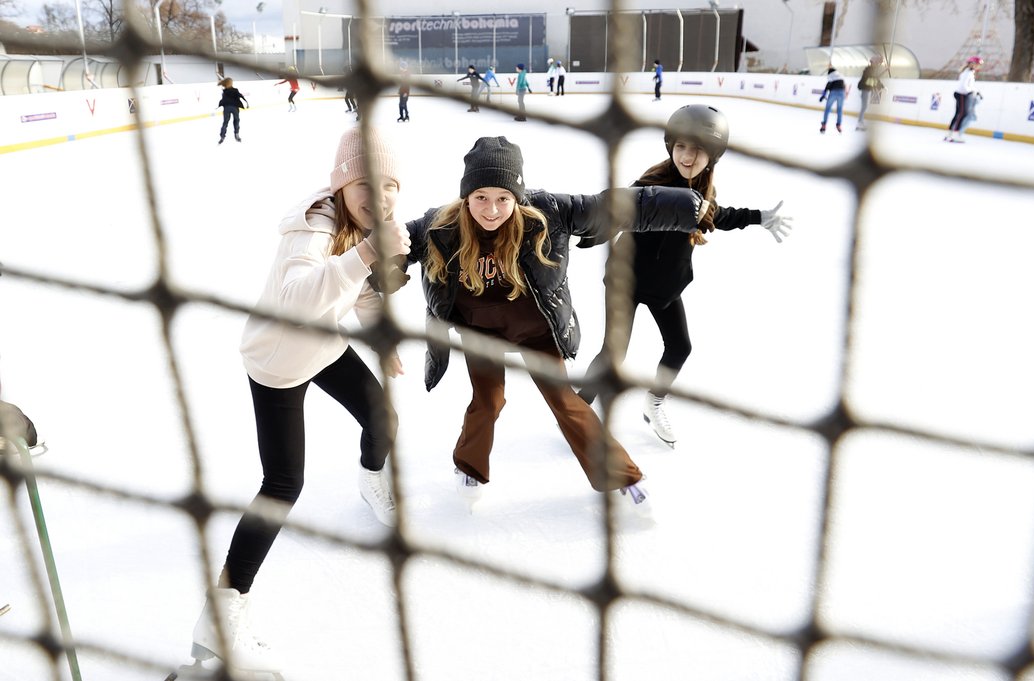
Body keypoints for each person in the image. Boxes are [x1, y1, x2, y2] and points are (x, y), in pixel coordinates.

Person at [185, 127, 411, 676]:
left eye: (390, 187)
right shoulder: (309, 226)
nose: (378, 199)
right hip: (280, 359)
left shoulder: (362, 227)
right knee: (283, 485)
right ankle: (221, 614)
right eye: (365, 184)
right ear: (340, 183)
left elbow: (360, 293)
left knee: (385, 419)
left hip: (325, 344)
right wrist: (365, 253)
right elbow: (298, 298)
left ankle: (370, 477)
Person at [398, 136, 711, 516]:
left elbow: (616, 207)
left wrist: (683, 204)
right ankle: (469, 467)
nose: (492, 210)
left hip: (535, 331)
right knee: (487, 401)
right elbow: (387, 247)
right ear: (466, 197)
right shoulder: (440, 225)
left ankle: (624, 476)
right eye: (480, 197)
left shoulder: (548, 213)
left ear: (518, 196)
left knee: (565, 403)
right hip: (480, 332)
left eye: (503, 198)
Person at [576, 105, 793, 447]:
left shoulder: (705, 193)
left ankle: (655, 401)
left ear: (713, 156)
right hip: (625, 281)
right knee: (613, 352)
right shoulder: (651, 184)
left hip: (666, 284)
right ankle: (577, 411)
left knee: (680, 347)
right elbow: (616, 208)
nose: (687, 156)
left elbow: (718, 216)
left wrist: (758, 217)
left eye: (697, 149)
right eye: (681, 146)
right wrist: (588, 227)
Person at [946, 56, 983, 142]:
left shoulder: (969, 72)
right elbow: (964, 86)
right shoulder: (968, 73)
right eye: (977, 64)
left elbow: (969, 85)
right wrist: (971, 92)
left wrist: (975, 91)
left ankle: (949, 134)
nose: (978, 66)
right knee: (962, 114)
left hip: (962, 94)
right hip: (962, 94)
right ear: (972, 64)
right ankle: (955, 134)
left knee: (958, 114)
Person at [856, 55, 885, 131]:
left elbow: (876, 78)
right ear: (874, 62)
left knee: (864, 106)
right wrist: (880, 85)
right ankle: (859, 123)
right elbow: (874, 79)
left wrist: (881, 85)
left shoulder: (872, 69)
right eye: (877, 63)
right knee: (864, 106)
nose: (878, 65)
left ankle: (860, 123)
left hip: (865, 89)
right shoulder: (869, 69)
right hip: (864, 89)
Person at [216, 77, 248, 144]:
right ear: (230, 83)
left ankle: (222, 136)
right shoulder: (235, 90)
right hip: (234, 108)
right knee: (236, 121)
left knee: (225, 122)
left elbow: (223, 100)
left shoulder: (224, 92)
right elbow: (241, 96)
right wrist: (246, 102)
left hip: (226, 108)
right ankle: (236, 134)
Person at [819, 66, 845, 133]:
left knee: (827, 109)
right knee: (839, 110)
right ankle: (839, 125)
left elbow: (827, 86)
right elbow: (844, 86)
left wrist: (823, 95)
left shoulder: (831, 75)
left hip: (834, 92)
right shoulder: (840, 75)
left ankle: (824, 125)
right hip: (842, 92)